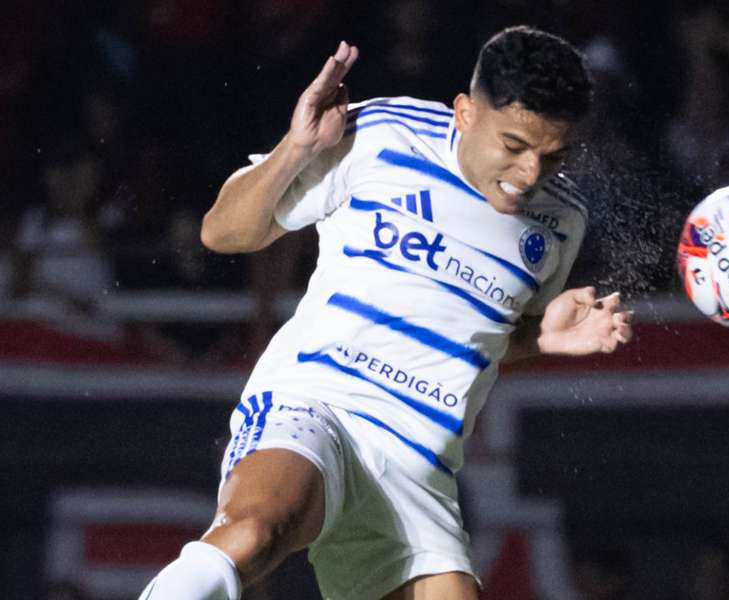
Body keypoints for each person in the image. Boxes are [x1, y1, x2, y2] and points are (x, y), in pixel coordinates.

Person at [138, 26, 633, 600]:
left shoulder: (562, 221)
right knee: (254, 531)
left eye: (552, 157)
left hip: (419, 468)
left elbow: (483, 335)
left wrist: (545, 335)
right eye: (514, 146)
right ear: (466, 112)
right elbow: (222, 233)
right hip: (317, 401)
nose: (529, 174)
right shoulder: (382, 135)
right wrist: (295, 148)